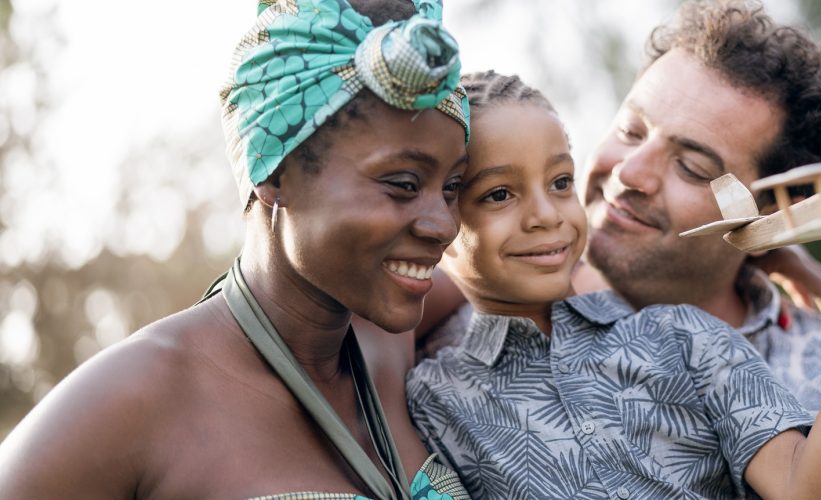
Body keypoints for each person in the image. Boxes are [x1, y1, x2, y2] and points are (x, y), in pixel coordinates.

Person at [415, 1, 821, 497]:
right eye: (632, 131)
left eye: (693, 166)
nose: (630, 173)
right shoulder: (431, 363)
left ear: (774, 208)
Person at [0, 0, 471, 498]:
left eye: (452, 186)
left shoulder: (387, 341)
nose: (444, 225)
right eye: (402, 183)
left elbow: (501, 277)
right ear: (274, 173)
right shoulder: (132, 400)